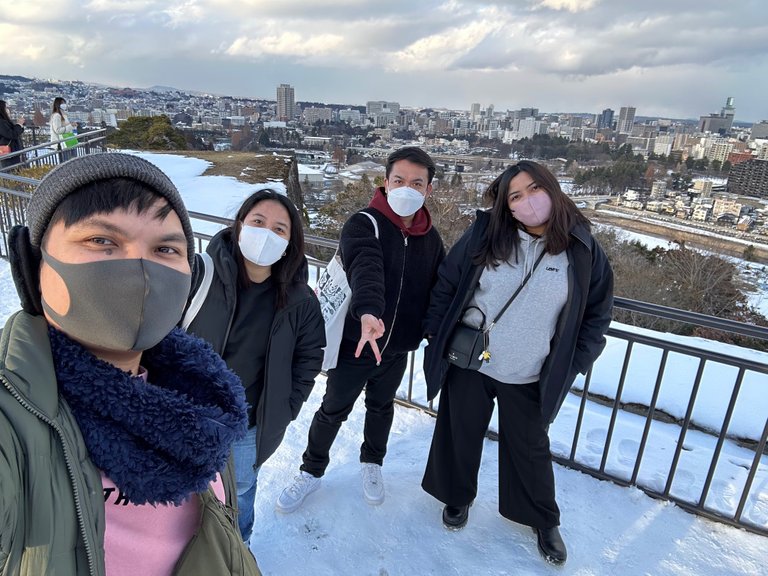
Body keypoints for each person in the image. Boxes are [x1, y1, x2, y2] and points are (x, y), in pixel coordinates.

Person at [0, 153, 260, 575]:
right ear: (33, 267)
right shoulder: (13, 415)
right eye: (102, 240)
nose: (140, 270)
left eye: (165, 248)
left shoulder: (204, 403)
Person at [420, 161, 613, 566]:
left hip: (529, 370)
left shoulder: (581, 248)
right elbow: (448, 283)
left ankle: (541, 518)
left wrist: (574, 360)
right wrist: (437, 335)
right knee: (459, 432)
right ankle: (457, 497)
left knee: (530, 448)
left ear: (553, 189)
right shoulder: (486, 234)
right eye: (515, 196)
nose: (527, 201)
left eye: (534, 189)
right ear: (506, 206)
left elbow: (596, 314)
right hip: (471, 361)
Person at [276, 146, 445, 513]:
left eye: (417, 183)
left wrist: (434, 330)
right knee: (333, 409)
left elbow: (438, 290)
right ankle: (311, 469)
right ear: (386, 182)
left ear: (429, 190)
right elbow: (365, 267)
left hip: (397, 347)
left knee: (381, 407)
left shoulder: (430, 239)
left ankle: (372, 462)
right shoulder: (363, 223)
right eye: (399, 180)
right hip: (357, 342)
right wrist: (369, 312)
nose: (406, 188)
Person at [183, 189, 326, 543]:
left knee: (240, 494)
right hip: (189, 414)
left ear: (291, 243)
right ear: (240, 224)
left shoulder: (301, 300)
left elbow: (309, 357)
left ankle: (238, 550)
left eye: (279, 229)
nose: (266, 234)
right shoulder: (200, 274)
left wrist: (287, 406)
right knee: (182, 494)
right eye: (258, 222)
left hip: (249, 424)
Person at [0, 100, 25, 168]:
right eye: (6, 108)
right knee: (11, 171)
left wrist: (19, 125)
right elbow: (11, 134)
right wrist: (19, 124)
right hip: (8, 152)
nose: (8, 110)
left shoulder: (4, 121)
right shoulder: (1, 122)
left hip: (11, 152)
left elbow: (14, 132)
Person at [50, 96, 76, 162]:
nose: (64, 105)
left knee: (73, 161)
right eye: (62, 103)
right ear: (58, 104)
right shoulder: (57, 116)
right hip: (62, 143)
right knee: (67, 162)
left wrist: (72, 126)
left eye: (64, 103)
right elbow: (58, 130)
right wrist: (70, 126)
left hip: (68, 141)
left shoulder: (63, 114)